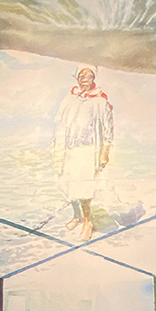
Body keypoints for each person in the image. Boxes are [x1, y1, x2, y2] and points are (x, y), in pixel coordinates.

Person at [53, 64, 114, 242]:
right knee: (69, 182)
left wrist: (105, 152)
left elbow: (108, 129)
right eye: (81, 75)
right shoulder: (70, 98)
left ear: (94, 78)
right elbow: (61, 122)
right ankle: (77, 215)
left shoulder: (100, 101)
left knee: (84, 186)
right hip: (69, 147)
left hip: (88, 149)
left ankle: (87, 221)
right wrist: (57, 144)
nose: (85, 79)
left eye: (88, 76)